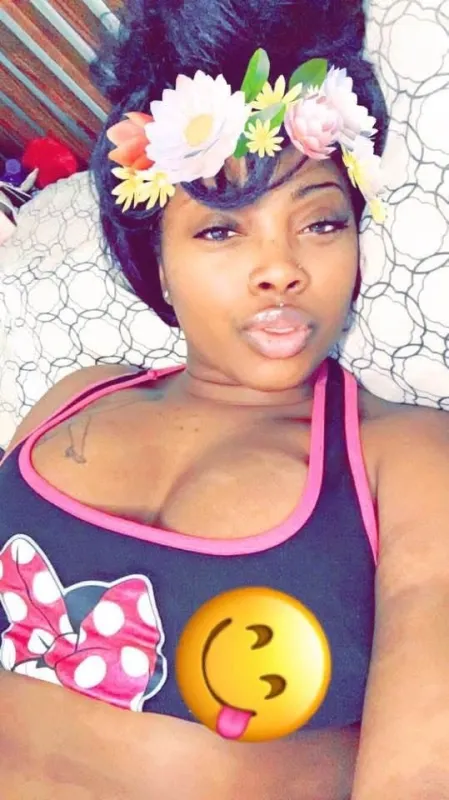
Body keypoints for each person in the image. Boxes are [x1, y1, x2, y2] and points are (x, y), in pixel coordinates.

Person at [1, 1, 448, 799]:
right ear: (159, 265)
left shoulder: (407, 458)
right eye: (218, 231)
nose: (280, 270)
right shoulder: (75, 397)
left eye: (320, 224)